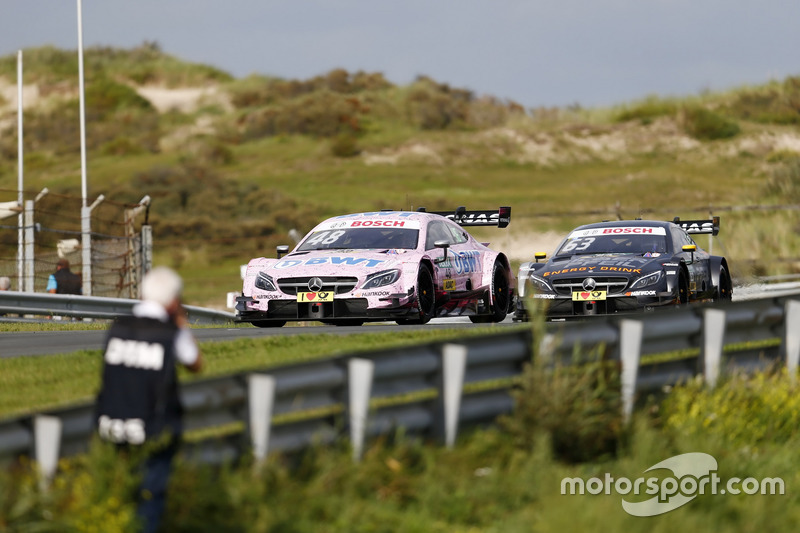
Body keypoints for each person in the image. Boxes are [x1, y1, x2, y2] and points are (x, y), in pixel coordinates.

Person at [94, 266, 203, 533]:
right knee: (151, 495)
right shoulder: (170, 331)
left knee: (119, 491)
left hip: (112, 422)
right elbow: (195, 363)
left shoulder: (118, 326)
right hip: (153, 427)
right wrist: (179, 322)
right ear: (174, 301)